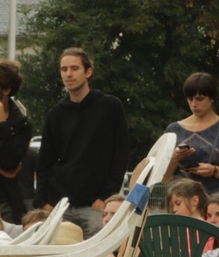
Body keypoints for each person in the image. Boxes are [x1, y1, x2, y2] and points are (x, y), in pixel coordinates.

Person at [35, 48, 129, 237]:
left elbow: (120, 156)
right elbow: (44, 162)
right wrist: (43, 202)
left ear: (88, 72)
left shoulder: (110, 106)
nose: (68, 74)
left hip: (95, 205)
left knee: (100, 253)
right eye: (64, 69)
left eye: (74, 68)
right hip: (59, 205)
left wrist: (105, 198)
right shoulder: (55, 114)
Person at [163, 72, 219, 189]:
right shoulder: (173, 129)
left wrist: (215, 171)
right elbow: (163, 179)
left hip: (216, 197)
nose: (194, 104)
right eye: (190, 99)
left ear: (212, 98)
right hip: (180, 197)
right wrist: (174, 158)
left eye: (200, 99)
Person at [0, 59, 35, 222]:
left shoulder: (22, 124)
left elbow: (10, 162)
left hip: (5, 201)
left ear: (6, 89)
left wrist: (2, 125)